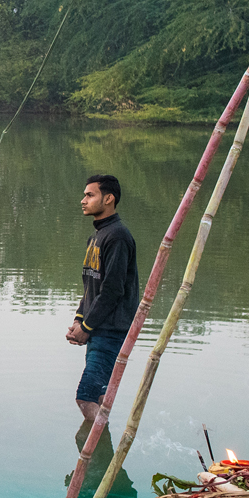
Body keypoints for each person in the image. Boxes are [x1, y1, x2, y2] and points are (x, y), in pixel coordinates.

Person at [67, 174, 139, 420]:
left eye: (90, 195)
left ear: (108, 199)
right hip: (97, 329)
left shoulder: (117, 236)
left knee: (85, 396)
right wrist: (79, 321)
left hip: (110, 330)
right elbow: (91, 286)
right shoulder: (96, 237)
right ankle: (102, 453)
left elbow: (112, 290)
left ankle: (94, 455)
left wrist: (87, 326)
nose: (83, 200)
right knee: (98, 397)